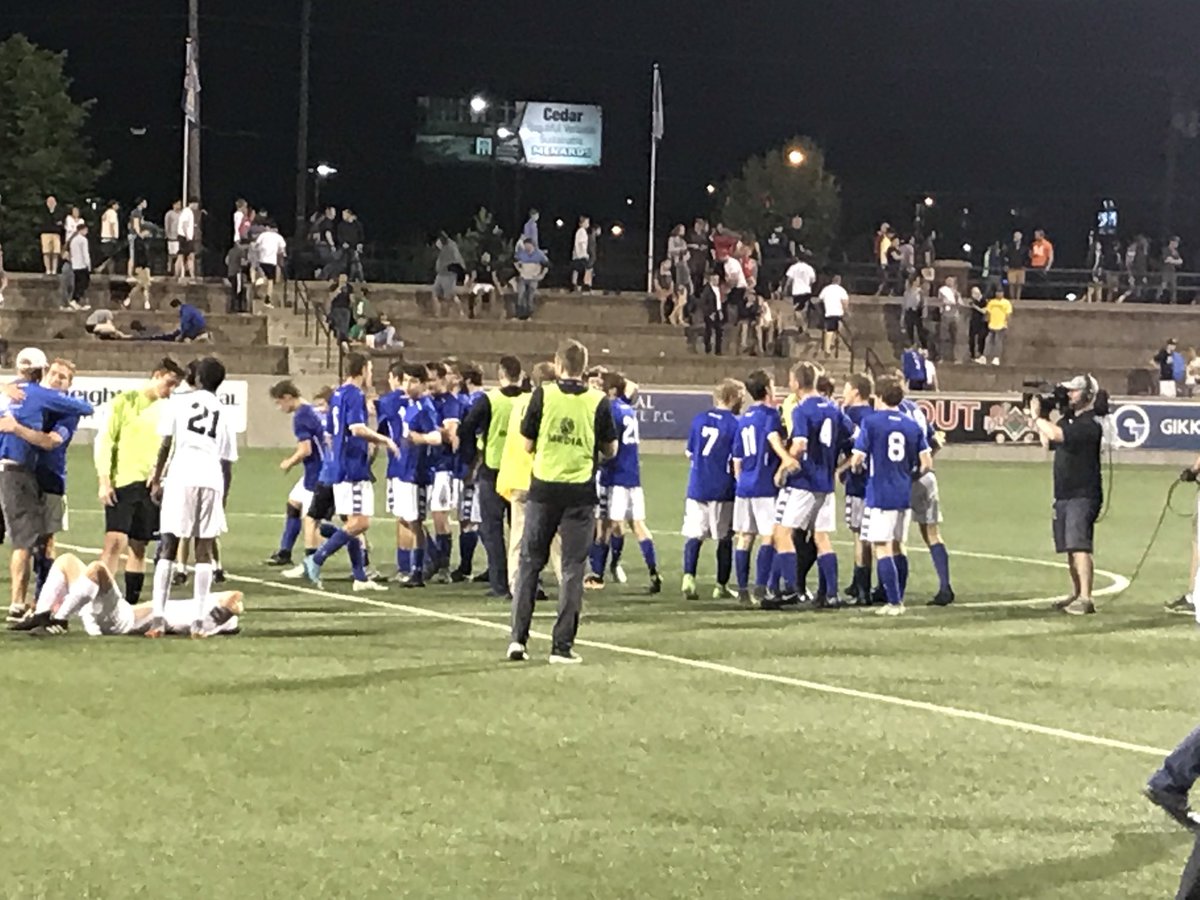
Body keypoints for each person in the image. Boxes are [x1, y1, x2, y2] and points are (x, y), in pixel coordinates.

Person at [508, 339, 618, 664]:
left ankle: (518, 640)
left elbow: (527, 444)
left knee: (530, 563)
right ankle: (561, 647)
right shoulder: (598, 401)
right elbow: (611, 449)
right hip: (579, 491)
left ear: (557, 364)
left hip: (543, 488)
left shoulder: (543, 394)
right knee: (572, 569)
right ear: (584, 367)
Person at [0, 349, 95, 622]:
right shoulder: (23, 394)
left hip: (51, 479)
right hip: (22, 475)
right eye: (54, 373)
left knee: (45, 541)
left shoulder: (65, 410)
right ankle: (22, 602)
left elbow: (52, 441)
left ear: (69, 385)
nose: (57, 379)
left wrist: (15, 426)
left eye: (63, 378)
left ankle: (42, 599)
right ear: (45, 373)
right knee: (24, 539)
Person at [146, 357, 237, 637]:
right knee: (204, 549)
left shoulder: (180, 402)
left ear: (197, 379)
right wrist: (223, 498)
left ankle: (158, 617)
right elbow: (227, 461)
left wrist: (157, 477)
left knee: (169, 543)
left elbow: (166, 444)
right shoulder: (225, 412)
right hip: (211, 478)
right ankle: (198, 620)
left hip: (182, 475)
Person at [301, 354, 397, 591]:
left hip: (342, 465)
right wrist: (384, 440)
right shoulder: (354, 394)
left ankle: (360, 577)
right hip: (352, 468)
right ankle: (317, 558)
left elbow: (331, 434)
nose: (371, 375)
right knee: (359, 523)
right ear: (362, 370)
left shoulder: (337, 395)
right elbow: (356, 428)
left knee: (353, 523)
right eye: (370, 370)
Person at [96, 358, 186, 605]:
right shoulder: (124, 401)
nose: (170, 391)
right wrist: (104, 480)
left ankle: (129, 604)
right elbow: (105, 441)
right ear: (157, 375)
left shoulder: (169, 410)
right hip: (122, 483)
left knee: (139, 546)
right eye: (169, 383)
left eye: (175, 386)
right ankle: (102, 601)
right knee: (114, 543)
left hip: (151, 486)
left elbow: (173, 446)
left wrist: (160, 474)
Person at [769, 361, 855, 609]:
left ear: (796, 382)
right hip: (825, 484)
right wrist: (838, 468)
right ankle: (831, 594)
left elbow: (800, 445)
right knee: (821, 537)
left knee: (783, 533)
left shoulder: (801, 409)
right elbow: (854, 443)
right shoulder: (834, 409)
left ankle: (789, 589)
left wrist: (783, 467)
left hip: (803, 482)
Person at [849, 376, 932, 617]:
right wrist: (909, 476)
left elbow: (857, 458)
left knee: (881, 546)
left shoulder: (871, 422)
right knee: (899, 546)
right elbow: (926, 462)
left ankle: (894, 602)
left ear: (878, 395)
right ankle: (899, 595)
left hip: (880, 493)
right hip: (903, 492)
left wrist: (856, 468)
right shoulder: (911, 425)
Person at [1029, 375, 1105, 615]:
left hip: (1083, 493)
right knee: (1070, 547)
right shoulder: (1068, 421)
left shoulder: (1089, 424)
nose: (1070, 395)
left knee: (1079, 545)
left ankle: (1086, 597)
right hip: (1064, 492)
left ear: (1087, 395)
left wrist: (1036, 417)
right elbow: (1047, 442)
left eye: (1074, 391)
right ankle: (1076, 592)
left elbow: (1056, 436)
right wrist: (1043, 418)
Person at [457, 356, 524, 598]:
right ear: (521, 374)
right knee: (521, 532)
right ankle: (525, 582)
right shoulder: (530, 399)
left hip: (494, 470)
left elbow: (465, 428)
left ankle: (500, 584)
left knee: (492, 529)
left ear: (501, 374)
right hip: (522, 472)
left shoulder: (490, 399)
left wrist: (470, 457)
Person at [496, 361, 563, 593]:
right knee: (555, 537)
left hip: (516, 476)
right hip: (541, 477)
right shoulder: (552, 402)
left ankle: (516, 585)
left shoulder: (520, 403)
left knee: (518, 535)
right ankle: (567, 583)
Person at [731, 370, 796, 607]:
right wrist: (786, 458)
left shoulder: (745, 418)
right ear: (768, 390)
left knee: (745, 537)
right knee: (769, 536)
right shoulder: (771, 416)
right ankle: (761, 586)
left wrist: (740, 482)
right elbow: (772, 438)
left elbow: (736, 458)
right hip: (764, 485)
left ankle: (742, 589)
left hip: (744, 485)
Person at [376, 363, 442, 588]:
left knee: (415, 520)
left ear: (423, 384)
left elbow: (436, 437)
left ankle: (417, 570)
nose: (407, 385)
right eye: (405, 381)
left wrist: (419, 438)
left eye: (413, 381)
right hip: (405, 469)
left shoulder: (425, 407)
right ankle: (432, 556)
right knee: (407, 518)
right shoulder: (412, 405)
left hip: (418, 472)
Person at [680, 379, 742, 602]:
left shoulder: (699, 420)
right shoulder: (735, 425)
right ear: (732, 397)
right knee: (724, 538)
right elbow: (737, 460)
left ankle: (688, 577)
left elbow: (689, 454)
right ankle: (720, 585)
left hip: (697, 486)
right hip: (722, 488)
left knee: (694, 535)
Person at [600, 374, 661, 594]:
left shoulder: (612, 410)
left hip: (618, 474)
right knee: (638, 524)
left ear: (613, 391)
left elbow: (609, 443)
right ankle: (653, 571)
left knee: (616, 524)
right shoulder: (628, 409)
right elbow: (632, 386)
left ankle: (614, 564)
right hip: (633, 474)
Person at [265, 381, 326, 568]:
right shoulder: (311, 409)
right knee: (293, 503)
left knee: (311, 520)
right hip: (318, 468)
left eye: (279, 402)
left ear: (287, 397)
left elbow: (306, 450)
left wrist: (288, 463)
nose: (279, 407)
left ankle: (312, 562)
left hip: (317, 473)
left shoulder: (301, 416)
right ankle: (285, 552)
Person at [423, 362, 463, 582]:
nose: (429, 384)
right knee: (414, 516)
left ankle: (443, 567)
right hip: (424, 465)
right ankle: (433, 558)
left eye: (432, 379)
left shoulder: (450, 403)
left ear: (442, 379)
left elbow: (450, 434)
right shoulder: (425, 401)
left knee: (439, 515)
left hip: (443, 467)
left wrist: (427, 427)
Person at [839, 374, 875, 605]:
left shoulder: (848, 417)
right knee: (868, 536)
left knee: (859, 537)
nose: (843, 393)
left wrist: (840, 469)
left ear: (856, 392)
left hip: (857, 483)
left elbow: (849, 450)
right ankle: (859, 583)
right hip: (874, 484)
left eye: (846, 388)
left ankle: (863, 590)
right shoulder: (874, 416)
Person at [513, 238, 549, 321]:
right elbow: (515, 261)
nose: (526, 248)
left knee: (530, 296)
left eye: (528, 246)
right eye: (525, 246)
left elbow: (547, 265)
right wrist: (519, 269)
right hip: (523, 277)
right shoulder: (521, 254)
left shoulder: (539, 254)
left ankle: (529, 316)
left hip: (533, 278)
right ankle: (519, 315)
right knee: (520, 295)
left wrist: (541, 275)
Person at [254, 224, 287, 308]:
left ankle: (257, 287)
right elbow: (282, 250)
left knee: (264, 277)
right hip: (271, 261)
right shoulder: (279, 237)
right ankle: (267, 300)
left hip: (261, 260)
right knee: (270, 281)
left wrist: (259, 253)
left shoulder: (263, 235)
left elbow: (256, 246)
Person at [694, 270, 725, 356]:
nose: (717, 281)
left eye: (717, 279)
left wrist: (720, 311)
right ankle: (707, 348)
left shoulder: (718, 289)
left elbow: (719, 301)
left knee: (719, 331)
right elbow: (703, 303)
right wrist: (709, 313)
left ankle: (718, 350)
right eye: (715, 279)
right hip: (710, 313)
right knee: (709, 331)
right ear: (711, 279)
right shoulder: (707, 290)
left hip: (718, 312)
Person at [818, 274, 848, 358]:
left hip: (828, 312)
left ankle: (827, 348)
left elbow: (820, 299)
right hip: (838, 313)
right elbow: (845, 302)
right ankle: (838, 344)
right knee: (839, 329)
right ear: (839, 281)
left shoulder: (826, 289)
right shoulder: (841, 290)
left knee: (829, 331)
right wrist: (845, 311)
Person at [784, 255, 817, 331]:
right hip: (807, 291)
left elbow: (789, 279)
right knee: (804, 310)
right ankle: (804, 327)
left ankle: (800, 325)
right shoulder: (810, 268)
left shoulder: (794, 267)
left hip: (797, 291)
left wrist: (786, 288)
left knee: (796, 310)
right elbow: (813, 280)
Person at [983, 289, 1013, 365]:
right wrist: (988, 321)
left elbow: (1008, 314)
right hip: (992, 325)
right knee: (988, 341)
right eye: (997, 293)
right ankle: (985, 356)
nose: (999, 294)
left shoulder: (1006, 303)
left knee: (998, 341)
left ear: (1003, 294)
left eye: (1000, 293)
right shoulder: (991, 302)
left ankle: (997, 358)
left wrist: (1007, 323)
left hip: (1001, 325)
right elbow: (988, 313)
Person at [468, 251, 500, 319]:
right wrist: (469, 285)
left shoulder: (491, 267)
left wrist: (499, 289)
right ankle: (475, 312)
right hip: (478, 284)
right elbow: (473, 276)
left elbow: (494, 278)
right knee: (478, 292)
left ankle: (491, 313)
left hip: (488, 284)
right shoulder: (476, 266)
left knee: (492, 292)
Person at [67, 222, 92, 310]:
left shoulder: (73, 240)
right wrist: (88, 264)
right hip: (82, 265)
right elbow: (85, 253)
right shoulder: (83, 240)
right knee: (84, 283)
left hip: (75, 265)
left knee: (78, 283)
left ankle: (76, 300)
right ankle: (75, 299)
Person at [40, 196, 63, 276]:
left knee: (55, 252)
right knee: (46, 252)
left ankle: (54, 269)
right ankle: (48, 269)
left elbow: (60, 221)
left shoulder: (59, 211)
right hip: (45, 233)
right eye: (49, 202)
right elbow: (43, 221)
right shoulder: (43, 211)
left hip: (56, 233)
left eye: (52, 202)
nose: (51, 203)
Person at [901, 274, 926, 348]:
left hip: (917, 312)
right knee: (910, 330)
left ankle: (923, 347)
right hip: (909, 311)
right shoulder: (907, 292)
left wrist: (923, 313)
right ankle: (912, 345)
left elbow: (923, 303)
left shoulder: (920, 292)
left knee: (920, 331)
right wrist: (903, 316)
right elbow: (905, 304)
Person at [177, 200, 198, 282]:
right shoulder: (187, 211)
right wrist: (187, 236)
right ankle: (189, 274)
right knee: (189, 256)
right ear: (193, 203)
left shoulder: (187, 212)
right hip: (185, 237)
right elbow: (184, 224)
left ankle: (185, 274)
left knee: (184, 255)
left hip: (185, 236)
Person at [967, 286, 988, 363]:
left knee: (981, 338)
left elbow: (984, 311)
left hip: (982, 322)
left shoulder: (984, 300)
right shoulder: (973, 300)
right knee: (971, 338)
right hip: (974, 321)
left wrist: (975, 306)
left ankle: (981, 354)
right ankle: (972, 354)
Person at [1005, 230, 1027, 302]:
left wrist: (1025, 265)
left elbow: (1027, 258)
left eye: (1016, 236)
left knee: (1019, 285)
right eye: (1014, 236)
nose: (1015, 238)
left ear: (1020, 237)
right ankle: (1012, 299)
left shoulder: (1024, 248)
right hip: (1011, 268)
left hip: (1021, 268)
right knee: (1011, 284)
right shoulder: (1010, 247)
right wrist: (1006, 265)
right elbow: (1006, 256)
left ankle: (1018, 299)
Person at [572, 217, 591, 292]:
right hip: (580, 255)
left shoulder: (580, 231)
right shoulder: (582, 231)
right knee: (581, 271)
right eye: (587, 222)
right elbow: (581, 244)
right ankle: (578, 286)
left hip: (578, 255)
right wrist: (585, 253)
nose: (588, 224)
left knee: (578, 271)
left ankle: (577, 286)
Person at [1162, 237, 1184, 304]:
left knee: (1173, 288)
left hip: (1172, 272)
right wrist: (1176, 261)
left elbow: (1180, 261)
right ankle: (1161, 301)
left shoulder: (1175, 252)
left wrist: (1174, 261)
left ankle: (1173, 302)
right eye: (1176, 242)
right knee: (1164, 287)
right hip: (1164, 272)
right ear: (1172, 242)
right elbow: (1167, 260)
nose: (1177, 244)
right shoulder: (1165, 250)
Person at [164, 199, 182, 276]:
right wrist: (167, 234)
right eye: (177, 204)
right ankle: (169, 269)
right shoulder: (169, 214)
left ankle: (177, 271)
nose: (179, 206)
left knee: (179, 254)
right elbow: (167, 225)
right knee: (171, 255)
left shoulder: (182, 214)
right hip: (171, 237)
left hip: (179, 238)